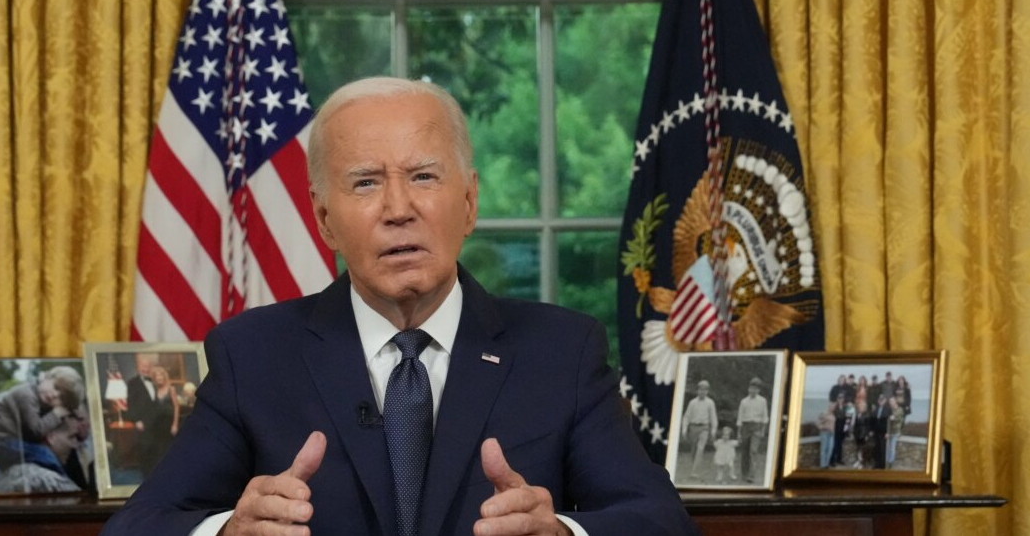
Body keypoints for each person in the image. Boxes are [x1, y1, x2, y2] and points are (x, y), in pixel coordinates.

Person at [101, 77, 696, 536]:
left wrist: (562, 532)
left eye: (424, 177)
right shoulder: (252, 356)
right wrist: (229, 530)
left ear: (469, 202)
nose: (398, 209)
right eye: (365, 182)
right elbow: (137, 526)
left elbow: (661, 521)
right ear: (324, 219)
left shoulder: (562, 351)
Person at [0, 365, 86, 484]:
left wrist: (71, 412)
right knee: (43, 454)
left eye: (61, 398)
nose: (54, 395)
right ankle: (63, 484)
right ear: (45, 377)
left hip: (5, 441)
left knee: (41, 453)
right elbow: (35, 431)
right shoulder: (26, 395)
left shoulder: (39, 397)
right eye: (56, 387)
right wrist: (56, 414)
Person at [734, 377, 770, 483]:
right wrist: (739, 433)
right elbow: (740, 418)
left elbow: (764, 417)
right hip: (745, 427)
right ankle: (744, 474)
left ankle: (751, 475)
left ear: (759, 390)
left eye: (755, 389)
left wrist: (763, 430)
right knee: (745, 452)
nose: (753, 390)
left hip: (757, 428)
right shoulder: (744, 401)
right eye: (751, 388)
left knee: (753, 451)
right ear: (748, 388)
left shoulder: (762, 401)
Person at [682, 380, 719, 477]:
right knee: (694, 450)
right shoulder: (692, 403)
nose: (702, 392)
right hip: (693, 427)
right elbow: (687, 416)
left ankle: (694, 472)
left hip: (704, 428)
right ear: (697, 390)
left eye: (705, 390)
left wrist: (713, 430)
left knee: (700, 448)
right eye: (700, 389)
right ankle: (694, 466)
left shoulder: (710, 403)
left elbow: (713, 418)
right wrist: (684, 429)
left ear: (707, 391)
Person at [816, 395, 841, 468]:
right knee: (824, 449)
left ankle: (826, 464)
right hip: (825, 433)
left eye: (833, 407)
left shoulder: (833, 415)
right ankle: (823, 465)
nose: (832, 408)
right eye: (831, 406)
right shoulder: (824, 413)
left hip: (831, 434)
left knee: (830, 449)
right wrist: (821, 427)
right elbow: (817, 421)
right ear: (829, 406)